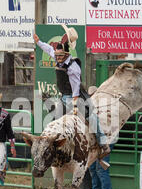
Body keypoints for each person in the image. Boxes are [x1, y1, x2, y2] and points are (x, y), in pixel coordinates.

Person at [34, 25, 111, 159]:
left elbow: (75, 87)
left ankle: (103, 143)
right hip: (64, 96)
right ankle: (52, 148)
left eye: (59, 55)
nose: (56, 57)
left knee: (90, 116)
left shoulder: (73, 68)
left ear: (66, 54)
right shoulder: (59, 57)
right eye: (56, 55)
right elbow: (48, 49)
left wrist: (75, 104)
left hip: (74, 96)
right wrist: (38, 42)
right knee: (53, 121)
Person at [83, 86, 115, 189]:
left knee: (101, 168)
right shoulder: (97, 108)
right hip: (100, 140)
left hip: (106, 140)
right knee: (93, 167)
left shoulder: (101, 109)